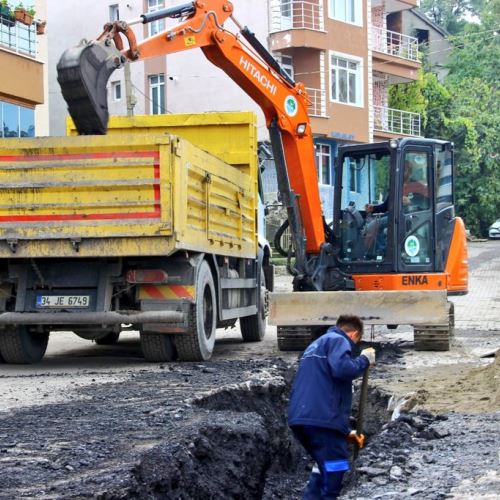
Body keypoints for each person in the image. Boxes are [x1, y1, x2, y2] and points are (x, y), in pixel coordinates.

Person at [288, 315, 376, 499]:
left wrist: (344, 432)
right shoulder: (338, 340)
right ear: (354, 335)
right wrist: (363, 360)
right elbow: (343, 369)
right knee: (337, 465)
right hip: (322, 420)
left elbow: (323, 388)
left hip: (302, 419)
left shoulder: (315, 345)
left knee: (324, 465)